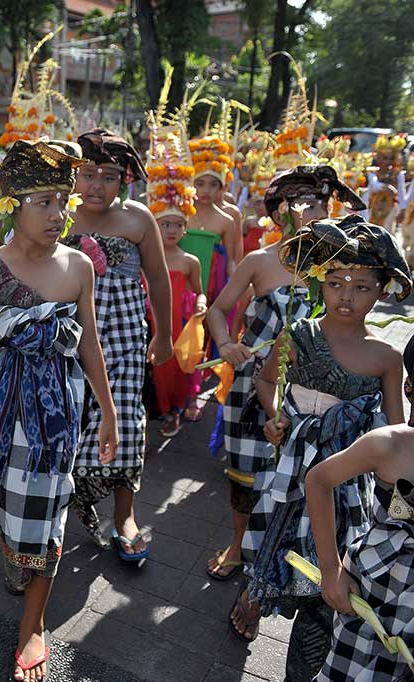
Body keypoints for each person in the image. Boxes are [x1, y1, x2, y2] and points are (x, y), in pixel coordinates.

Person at [0, 139, 116, 682]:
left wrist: (108, 411)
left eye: (63, 200)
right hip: (2, 406)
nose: (58, 213)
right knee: (8, 495)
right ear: (12, 203)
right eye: (43, 200)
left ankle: (32, 625)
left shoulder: (79, 265)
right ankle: (20, 552)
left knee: (47, 503)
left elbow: (89, 343)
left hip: (61, 409)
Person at [237, 215, 409, 680]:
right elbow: (267, 378)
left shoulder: (387, 357)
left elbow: (396, 428)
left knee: (323, 570)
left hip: (348, 480)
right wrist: (276, 415)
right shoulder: (299, 333)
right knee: (273, 539)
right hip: (291, 468)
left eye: (362, 286)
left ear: (383, 290)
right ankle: (255, 595)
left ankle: (305, 650)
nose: (347, 296)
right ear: (319, 281)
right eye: (335, 282)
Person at [209, 165, 364, 586]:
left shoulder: (338, 266)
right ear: (278, 213)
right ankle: (239, 545)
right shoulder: (260, 261)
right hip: (252, 382)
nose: (306, 214)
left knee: (297, 478)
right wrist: (225, 344)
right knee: (246, 475)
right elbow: (218, 310)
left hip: (312, 392)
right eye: (295, 205)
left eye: (315, 204)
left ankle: (284, 556)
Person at [61, 128, 173, 561]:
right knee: (69, 420)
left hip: (125, 337)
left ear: (124, 180)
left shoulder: (138, 219)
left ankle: (125, 515)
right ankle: (55, 510)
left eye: (108, 176)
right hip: (68, 337)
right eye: (87, 174)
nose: (96, 185)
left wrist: (163, 334)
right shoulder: (59, 213)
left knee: (125, 419)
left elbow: (159, 280)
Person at [305, 335, 414, 681]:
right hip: (375, 591)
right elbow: (319, 480)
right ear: (410, 389)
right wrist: (330, 569)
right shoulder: (389, 445)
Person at [143, 123, 206, 437]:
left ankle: (174, 411)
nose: (170, 231)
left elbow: (200, 291)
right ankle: (157, 409)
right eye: (163, 224)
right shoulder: (146, 257)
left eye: (175, 225)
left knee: (176, 371)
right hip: (150, 321)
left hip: (179, 324)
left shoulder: (190, 261)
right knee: (152, 372)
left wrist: (202, 306)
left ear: (185, 228)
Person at [187, 130, 239, 303]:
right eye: (200, 184)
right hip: (181, 281)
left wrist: (239, 284)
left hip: (212, 284)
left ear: (221, 188)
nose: (206, 190)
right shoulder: (180, 214)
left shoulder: (226, 220)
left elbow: (230, 261)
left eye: (213, 185)